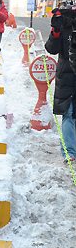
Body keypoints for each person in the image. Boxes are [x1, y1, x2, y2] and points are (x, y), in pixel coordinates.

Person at [46, 8, 76, 162]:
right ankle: (69, 153)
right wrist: (56, 31)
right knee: (68, 113)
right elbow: (51, 48)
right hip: (66, 74)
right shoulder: (65, 21)